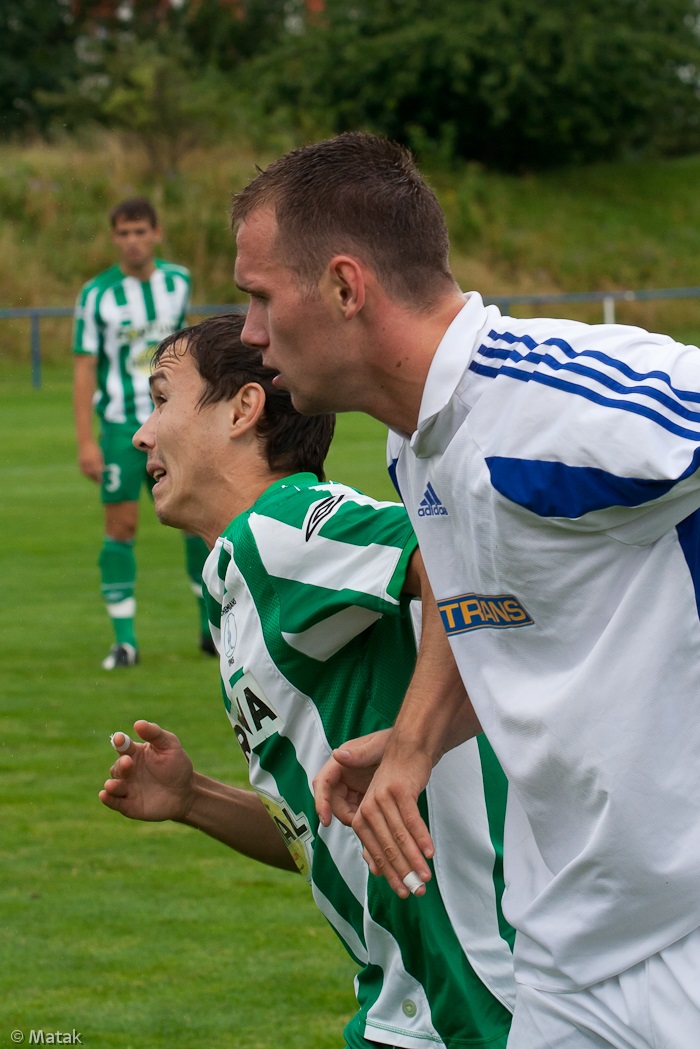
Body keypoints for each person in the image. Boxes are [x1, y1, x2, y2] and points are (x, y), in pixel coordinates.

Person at [230, 131, 700, 1048]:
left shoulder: (557, 405)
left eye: (258, 297)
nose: (249, 335)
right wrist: (413, 744)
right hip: (565, 950)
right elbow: (489, 602)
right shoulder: (418, 446)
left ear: (343, 286)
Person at [99, 312, 515, 1049]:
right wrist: (194, 797)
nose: (143, 433)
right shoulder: (240, 583)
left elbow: (460, 565)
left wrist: (414, 744)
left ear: (241, 409)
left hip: (483, 981)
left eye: (162, 398)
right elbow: (322, 825)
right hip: (402, 992)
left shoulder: (280, 527)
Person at [72, 196, 212, 669]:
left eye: (140, 231)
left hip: (173, 422)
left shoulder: (178, 281)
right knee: (122, 526)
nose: (133, 241)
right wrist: (85, 439)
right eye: (124, 233)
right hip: (118, 426)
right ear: (114, 238)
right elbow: (84, 367)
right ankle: (125, 641)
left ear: (156, 233)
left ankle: (210, 628)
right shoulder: (96, 295)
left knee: (195, 520)